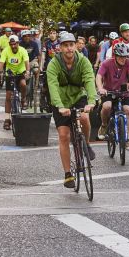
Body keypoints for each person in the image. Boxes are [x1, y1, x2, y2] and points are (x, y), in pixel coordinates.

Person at [47, 32, 97, 189]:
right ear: (60, 48)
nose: (69, 48)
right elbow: (53, 86)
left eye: (71, 45)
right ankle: (68, 174)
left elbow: (89, 80)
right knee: (63, 135)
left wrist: (91, 101)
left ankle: (86, 144)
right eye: (65, 45)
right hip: (60, 101)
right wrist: (59, 106)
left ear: (76, 46)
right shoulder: (53, 64)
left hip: (78, 97)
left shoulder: (83, 61)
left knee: (84, 117)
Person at [96, 42, 129, 150]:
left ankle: (127, 140)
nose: (123, 59)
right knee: (107, 106)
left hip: (123, 92)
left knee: (128, 110)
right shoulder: (106, 63)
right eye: (120, 56)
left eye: (125, 56)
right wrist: (100, 88)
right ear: (115, 55)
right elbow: (98, 76)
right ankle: (104, 125)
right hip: (108, 91)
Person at [0, 35, 30, 130]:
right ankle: (7, 120)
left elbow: (27, 63)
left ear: (18, 43)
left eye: (14, 44)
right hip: (10, 74)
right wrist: (0, 72)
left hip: (21, 72)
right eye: (11, 44)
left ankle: (23, 99)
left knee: (23, 84)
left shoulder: (23, 50)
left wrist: (27, 71)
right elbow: (1, 63)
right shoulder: (6, 50)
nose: (13, 46)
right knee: (8, 96)